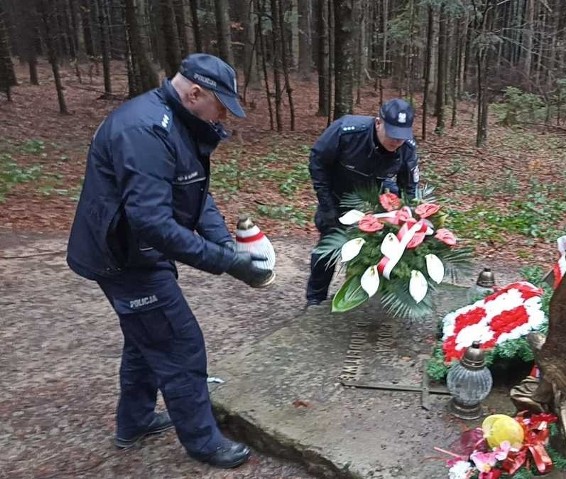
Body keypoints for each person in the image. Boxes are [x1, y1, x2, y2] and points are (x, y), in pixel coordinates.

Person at [66, 53, 272, 469]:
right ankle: (202, 442)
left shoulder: (181, 124)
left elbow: (196, 195)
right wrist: (225, 261)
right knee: (179, 344)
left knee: (147, 340)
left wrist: (226, 245)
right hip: (122, 258)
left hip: (138, 252)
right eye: (220, 106)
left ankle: (135, 422)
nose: (222, 118)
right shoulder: (144, 130)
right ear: (194, 93)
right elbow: (152, 223)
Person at [305, 98, 420, 307]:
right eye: (392, 134)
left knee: (378, 249)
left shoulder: (407, 148)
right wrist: (326, 204)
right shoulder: (346, 131)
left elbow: (409, 186)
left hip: (376, 199)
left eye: (401, 137)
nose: (396, 142)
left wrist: (408, 218)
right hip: (338, 193)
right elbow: (317, 162)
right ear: (378, 122)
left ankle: (366, 296)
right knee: (328, 246)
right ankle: (315, 299)